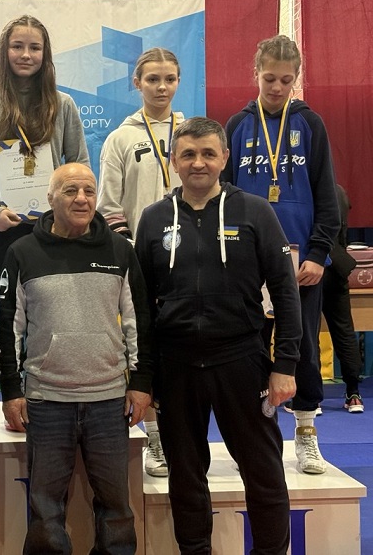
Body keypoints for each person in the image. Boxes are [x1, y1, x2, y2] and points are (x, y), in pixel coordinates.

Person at [135, 117, 302, 555]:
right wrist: (144, 377)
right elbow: (142, 308)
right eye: (188, 154)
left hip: (242, 361)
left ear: (225, 158)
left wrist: (285, 365)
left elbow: (286, 293)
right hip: (177, 367)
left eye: (208, 153)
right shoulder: (153, 219)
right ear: (174, 161)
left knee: (263, 471)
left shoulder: (255, 212)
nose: (198, 163)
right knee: (186, 475)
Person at [0, 162, 152, 554]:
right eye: (70, 191)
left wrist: (140, 383)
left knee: (117, 509)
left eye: (89, 190)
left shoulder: (120, 250)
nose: (81, 199)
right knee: (45, 510)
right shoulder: (22, 252)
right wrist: (11, 391)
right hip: (46, 402)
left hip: (109, 402)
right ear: (50, 198)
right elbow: (8, 325)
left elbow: (139, 321)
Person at [223, 35, 340, 474]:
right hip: (248, 262)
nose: (276, 87)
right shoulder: (237, 125)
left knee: (303, 347)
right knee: (250, 350)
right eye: (269, 78)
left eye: (286, 80)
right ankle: (254, 436)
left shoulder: (310, 123)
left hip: (301, 262)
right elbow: (224, 195)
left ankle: (306, 430)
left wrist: (319, 252)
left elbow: (326, 194)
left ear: (297, 79)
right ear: (255, 73)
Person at [97, 47, 184, 478]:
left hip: (188, 257)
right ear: (137, 83)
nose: (161, 87)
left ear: (178, 82)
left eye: (169, 79)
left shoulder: (192, 131)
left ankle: (183, 435)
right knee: (145, 345)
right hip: (141, 258)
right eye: (152, 79)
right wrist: (131, 249)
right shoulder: (120, 138)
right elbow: (108, 204)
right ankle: (155, 438)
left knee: (184, 345)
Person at [0, 15, 90, 283]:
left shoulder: (63, 105)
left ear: (45, 54)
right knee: (8, 303)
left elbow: (78, 163)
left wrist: (69, 209)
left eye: (35, 48)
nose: (25, 55)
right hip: (5, 227)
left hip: (55, 225)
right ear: (4, 51)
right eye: (17, 46)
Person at [322, 184, 364, 412]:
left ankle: (309, 399)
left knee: (306, 332)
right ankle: (354, 393)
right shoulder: (339, 191)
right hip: (338, 267)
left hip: (312, 265)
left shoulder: (306, 189)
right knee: (344, 331)